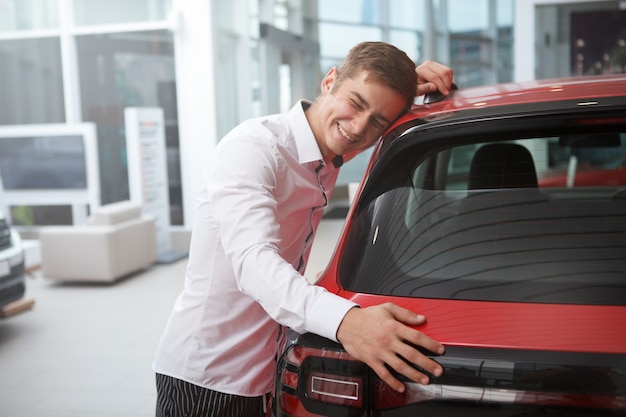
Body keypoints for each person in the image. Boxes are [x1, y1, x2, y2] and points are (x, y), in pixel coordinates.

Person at [153, 41, 454, 417]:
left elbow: (369, 118)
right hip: (209, 377)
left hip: (268, 369)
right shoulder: (255, 149)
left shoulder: (330, 149)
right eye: (356, 103)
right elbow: (254, 265)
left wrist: (409, 81)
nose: (359, 127)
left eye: (377, 121)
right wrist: (348, 322)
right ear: (330, 81)